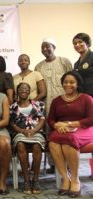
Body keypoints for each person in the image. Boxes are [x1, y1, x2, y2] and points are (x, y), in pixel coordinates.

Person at [48, 71, 93, 198]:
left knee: (69, 139)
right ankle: (65, 178)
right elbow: (51, 119)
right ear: (62, 84)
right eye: (65, 82)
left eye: (72, 82)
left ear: (78, 83)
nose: (68, 85)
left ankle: (75, 179)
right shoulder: (56, 101)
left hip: (84, 128)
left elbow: (91, 119)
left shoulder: (86, 98)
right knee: (52, 140)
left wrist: (71, 124)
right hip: (62, 129)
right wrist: (57, 125)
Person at [35, 38, 72, 173]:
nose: (45, 49)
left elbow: (72, 80)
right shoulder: (38, 66)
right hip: (47, 105)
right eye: (42, 47)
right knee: (49, 133)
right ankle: (53, 163)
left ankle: (67, 163)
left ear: (54, 47)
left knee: (66, 130)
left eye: (47, 46)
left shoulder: (64, 61)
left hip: (65, 103)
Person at [10, 82, 46, 195]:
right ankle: (26, 180)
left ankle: (35, 179)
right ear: (17, 91)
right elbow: (12, 123)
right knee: (20, 144)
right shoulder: (13, 106)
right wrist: (22, 131)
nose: (24, 90)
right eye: (21, 89)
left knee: (36, 146)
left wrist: (34, 130)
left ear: (29, 91)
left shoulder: (38, 104)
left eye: (26, 89)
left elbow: (42, 119)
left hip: (36, 131)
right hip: (20, 132)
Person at [73, 33, 93, 97]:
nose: (77, 45)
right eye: (75, 43)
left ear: (87, 43)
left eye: (80, 42)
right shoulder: (76, 64)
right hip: (82, 95)